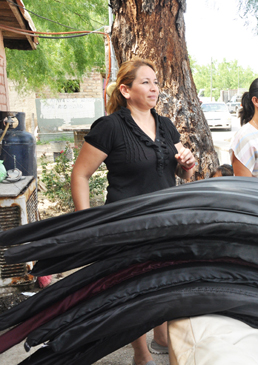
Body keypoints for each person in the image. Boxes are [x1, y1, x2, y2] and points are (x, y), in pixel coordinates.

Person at [71, 58, 196, 365]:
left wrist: (188, 167)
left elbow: (179, 174)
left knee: (164, 281)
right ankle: (141, 354)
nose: (154, 88)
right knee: (133, 289)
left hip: (166, 220)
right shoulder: (110, 127)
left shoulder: (165, 126)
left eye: (155, 82)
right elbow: (80, 175)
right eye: (145, 82)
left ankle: (162, 335)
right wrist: (85, 222)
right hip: (125, 225)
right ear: (125, 90)